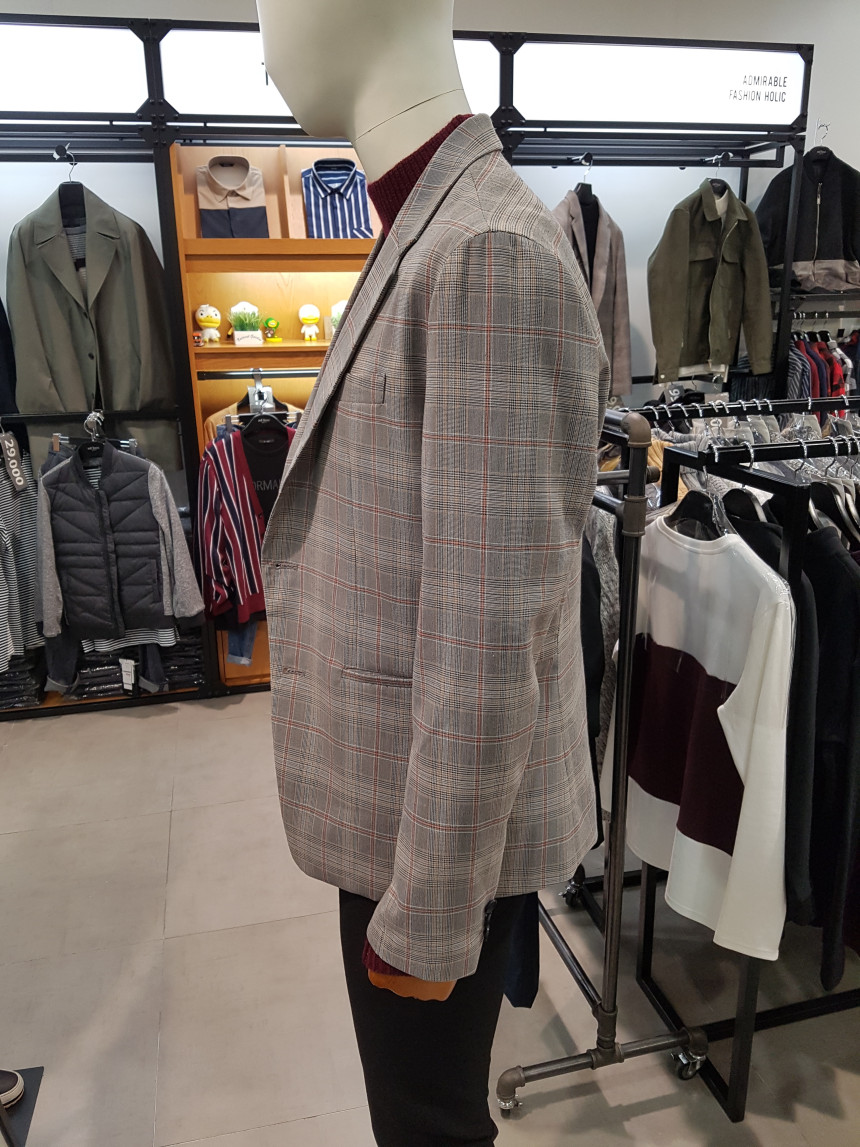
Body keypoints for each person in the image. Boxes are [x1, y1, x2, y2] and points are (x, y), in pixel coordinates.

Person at [257, 1, 609, 1142]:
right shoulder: (427, 220)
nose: (261, 44)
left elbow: (489, 636)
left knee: (426, 1126)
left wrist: (428, 913)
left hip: (428, 831)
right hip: (397, 803)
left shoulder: (489, 252)